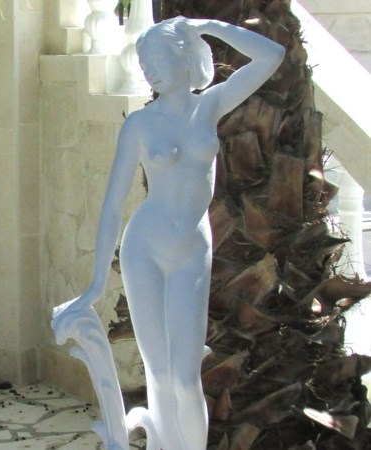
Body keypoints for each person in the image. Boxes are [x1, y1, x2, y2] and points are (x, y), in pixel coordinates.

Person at [52, 16, 285, 450]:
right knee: (158, 373)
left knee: (185, 376)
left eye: (158, 58)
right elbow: (113, 205)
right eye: (144, 62)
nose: (149, 70)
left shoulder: (210, 105)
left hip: (191, 250)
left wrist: (209, 26)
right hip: (144, 248)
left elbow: (271, 56)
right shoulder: (139, 125)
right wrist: (97, 283)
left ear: (184, 55)